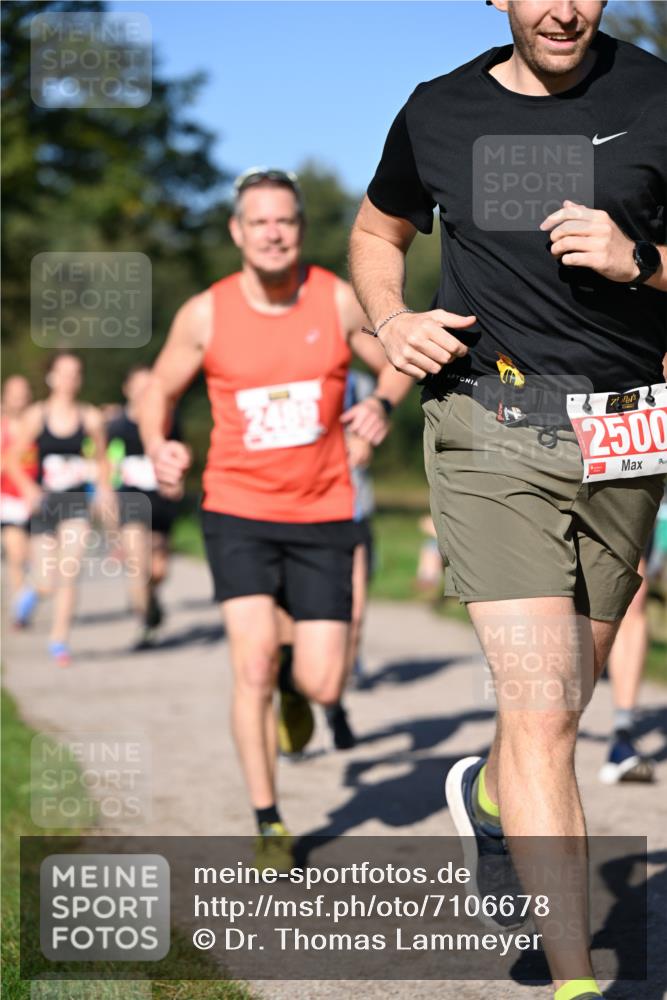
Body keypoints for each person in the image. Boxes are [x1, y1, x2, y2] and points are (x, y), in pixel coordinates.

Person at [349, 3, 665, 998]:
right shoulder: (437, 111)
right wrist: (391, 318)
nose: (564, 7)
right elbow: (374, 229)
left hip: (625, 429)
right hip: (489, 421)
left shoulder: (657, 98)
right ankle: (579, 982)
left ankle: (487, 795)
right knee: (540, 709)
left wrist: (641, 261)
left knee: (562, 701)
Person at [138, 168, 412, 868]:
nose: (271, 232)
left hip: (323, 510)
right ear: (237, 231)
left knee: (323, 682)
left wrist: (379, 403)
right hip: (237, 509)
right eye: (257, 221)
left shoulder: (336, 299)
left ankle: (300, 685)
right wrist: (156, 445)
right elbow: (157, 391)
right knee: (250, 662)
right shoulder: (205, 313)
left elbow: (400, 360)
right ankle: (267, 821)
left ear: (298, 228)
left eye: (284, 221)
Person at [6, 351, 112, 666]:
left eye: (75, 373)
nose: (69, 379)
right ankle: (30, 593)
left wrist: (103, 486)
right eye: (63, 373)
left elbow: (102, 459)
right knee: (46, 579)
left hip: (76, 502)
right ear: (51, 377)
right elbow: (12, 460)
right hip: (46, 502)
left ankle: (59, 639)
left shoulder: (89, 417)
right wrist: (28, 489)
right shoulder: (37, 416)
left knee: (70, 571)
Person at [107, 365, 181, 649]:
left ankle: (151, 600)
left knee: (158, 569)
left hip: (160, 498)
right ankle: (144, 620)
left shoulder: (168, 418)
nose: (141, 392)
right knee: (138, 564)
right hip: (130, 497)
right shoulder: (116, 424)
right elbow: (107, 459)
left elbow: (178, 449)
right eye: (136, 386)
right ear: (127, 389)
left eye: (147, 386)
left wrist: (177, 479)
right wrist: (107, 490)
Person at [1, 375, 38, 626]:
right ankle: (20, 608)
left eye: (23, 393)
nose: (19, 398)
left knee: (35, 557)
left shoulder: (37, 424)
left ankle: (30, 592)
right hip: (9, 498)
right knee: (16, 554)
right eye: (14, 393)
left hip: (37, 498)